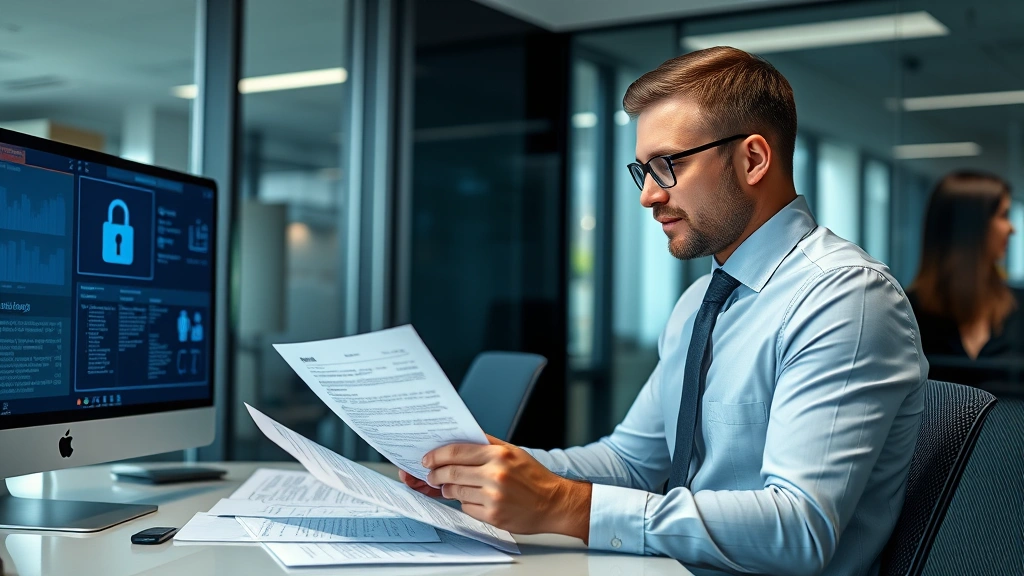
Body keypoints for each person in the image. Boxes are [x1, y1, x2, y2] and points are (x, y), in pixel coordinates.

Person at [401, 46, 927, 576]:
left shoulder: (844, 298)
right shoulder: (702, 302)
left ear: (752, 160)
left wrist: (567, 505)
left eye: (667, 166)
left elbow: (799, 529)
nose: (648, 196)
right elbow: (631, 462)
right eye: (643, 170)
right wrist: (492, 469)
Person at [908, 171, 1021, 386]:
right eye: (1003, 216)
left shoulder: (1018, 307)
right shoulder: (906, 312)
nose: (1011, 229)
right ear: (972, 226)